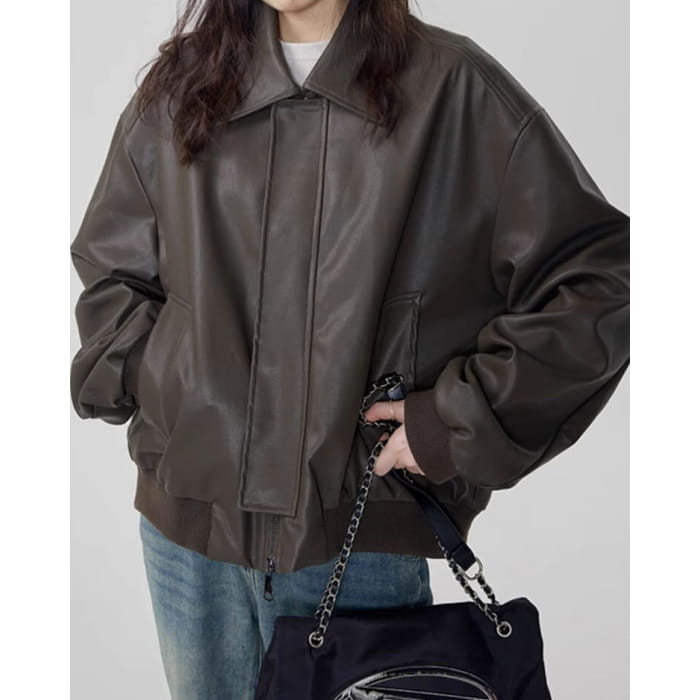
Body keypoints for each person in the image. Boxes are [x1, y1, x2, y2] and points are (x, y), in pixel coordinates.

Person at [70, 0, 630, 697]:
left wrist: (451, 421)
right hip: (190, 542)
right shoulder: (184, 84)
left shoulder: (452, 89)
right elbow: (114, 268)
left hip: (359, 542)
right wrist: (167, 389)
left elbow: (600, 281)